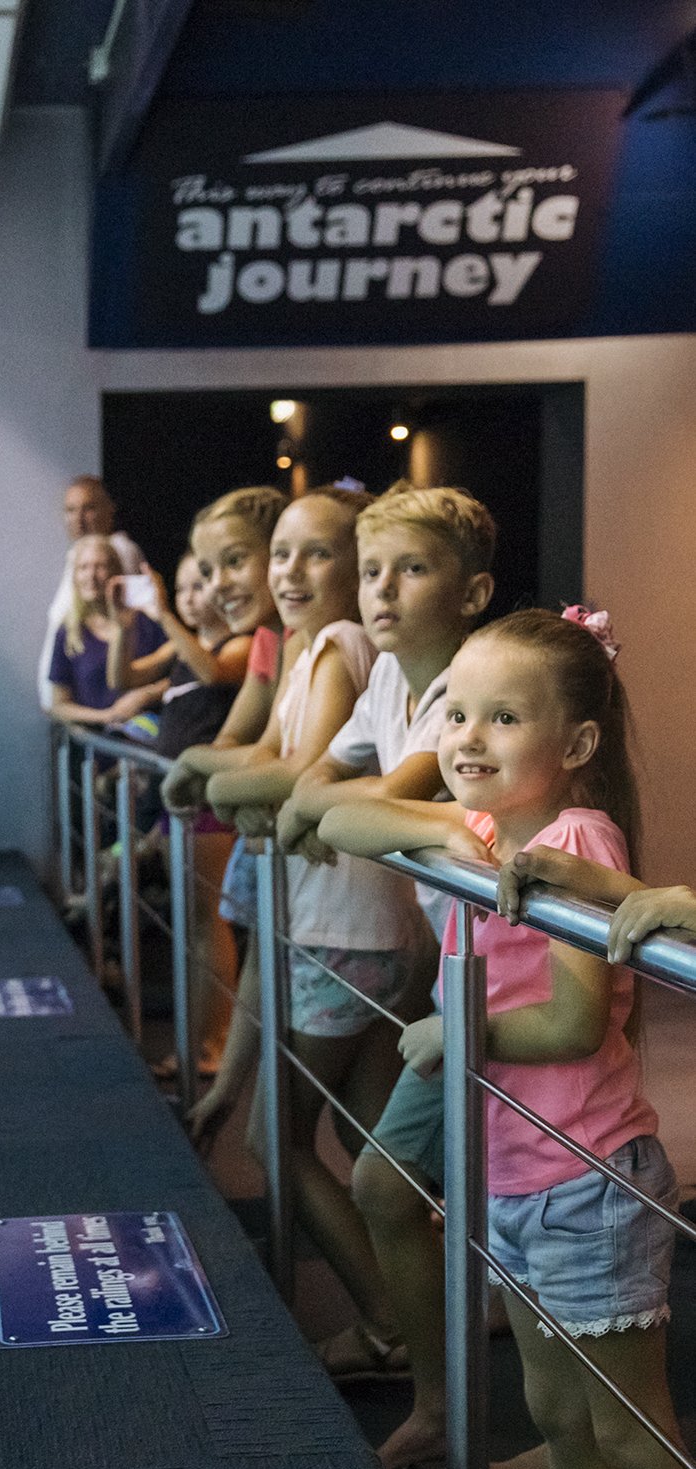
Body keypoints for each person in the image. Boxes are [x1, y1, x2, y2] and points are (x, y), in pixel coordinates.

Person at [322, 609, 696, 1469]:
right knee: (561, 1421)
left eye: (504, 715)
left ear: (577, 739)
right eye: (456, 711)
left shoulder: (575, 829)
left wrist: (459, 1028)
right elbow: (341, 814)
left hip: (586, 1180)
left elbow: (579, 1021)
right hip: (523, 1180)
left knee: (635, 1441)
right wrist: (442, 809)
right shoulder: (487, 827)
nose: (468, 734)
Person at [272, 484, 495, 1401]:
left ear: (472, 592)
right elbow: (329, 773)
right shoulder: (392, 681)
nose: (383, 590)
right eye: (372, 572)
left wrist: (316, 804)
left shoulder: (463, 684)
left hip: (495, 981)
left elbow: (362, 793)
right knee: (390, 1179)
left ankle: (453, 1403)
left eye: (411, 569)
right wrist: (321, 797)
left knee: (420, 1185)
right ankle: (438, 1395)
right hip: (449, 980)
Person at [200, 488, 429, 1345]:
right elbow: (285, 764)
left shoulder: (340, 644)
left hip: (344, 933)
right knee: (377, 1152)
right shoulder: (308, 651)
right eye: (282, 552)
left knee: (275, 1139)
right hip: (359, 930)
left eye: (320, 553)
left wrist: (213, 781)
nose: (289, 570)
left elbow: (298, 776)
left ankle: (387, 1327)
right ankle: (425, 1322)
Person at [159, 485, 287, 1115]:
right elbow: (244, 739)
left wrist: (201, 772)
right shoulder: (268, 642)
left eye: (234, 563)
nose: (216, 585)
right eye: (207, 570)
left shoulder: (320, 643)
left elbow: (290, 763)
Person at [36, 475, 145, 710]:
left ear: (110, 509)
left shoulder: (119, 550)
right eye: (71, 510)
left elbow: (129, 627)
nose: (78, 519)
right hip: (73, 714)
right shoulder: (77, 554)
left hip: (104, 717)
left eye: (89, 508)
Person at [45, 534, 165, 727]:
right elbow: (59, 704)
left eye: (100, 566)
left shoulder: (145, 622)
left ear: (116, 571)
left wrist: (144, 696)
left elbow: (179, 677)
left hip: (146, 742)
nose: (91, 576)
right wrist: (108, 716)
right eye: (84, 567)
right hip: (97, 748)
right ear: (74, 575)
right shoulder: (68, 632)